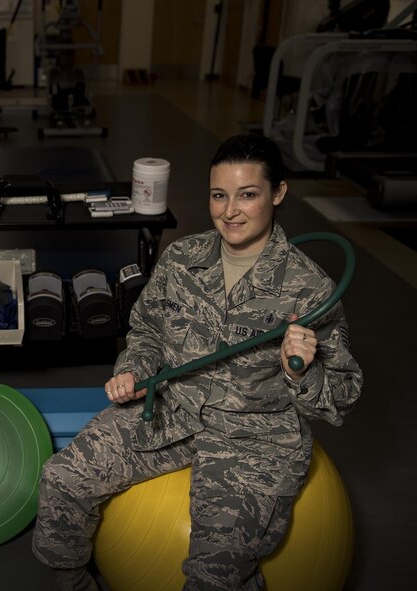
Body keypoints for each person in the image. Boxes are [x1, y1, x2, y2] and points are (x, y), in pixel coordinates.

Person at [32, 134, 363, 590]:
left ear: (279, 193)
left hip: (254, 439)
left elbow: (340, 399)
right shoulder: (181, 259)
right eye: (219, 195)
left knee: (214, 574)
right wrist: (135, 370)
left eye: (248, 195)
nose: (230, 212)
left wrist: (299, 369)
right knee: (62, 478)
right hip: (171, 409)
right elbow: (146, 330)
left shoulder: (310, 289)